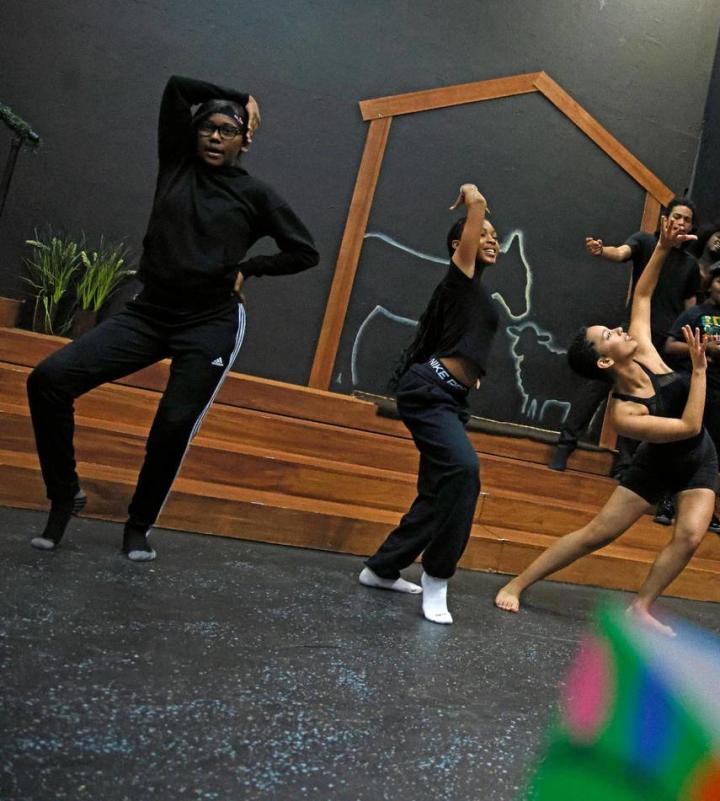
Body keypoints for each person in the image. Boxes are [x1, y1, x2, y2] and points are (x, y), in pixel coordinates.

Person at [26, 75, 319, 561]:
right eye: (208, 127)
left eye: (228, 130)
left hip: (210, 323)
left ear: (243, 141)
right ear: (195, 132)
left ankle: (138, 525)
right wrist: (242, 93)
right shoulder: (176, 165)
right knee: (48, 380)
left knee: (171, 424)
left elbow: (303, 251)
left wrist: (250, 267)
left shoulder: (256, 195)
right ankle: (64, 496)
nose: (215, 136)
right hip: (149, 313)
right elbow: (176, 88)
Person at [496, 215, 714, 637]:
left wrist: (664, 248)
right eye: (608, 334)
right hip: (660, 463)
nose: (619, 329)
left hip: (700, 456)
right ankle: (517, 582)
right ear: (603, 361)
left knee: (689, 536)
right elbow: (687, 424)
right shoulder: (624, 413)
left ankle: (642, 607)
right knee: (596, 534)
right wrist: (700, 371)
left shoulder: (645, 348)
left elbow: (644, 293)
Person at [360, 184, 500, 625]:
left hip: (451, 397)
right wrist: (473, 197)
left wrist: (469, 378)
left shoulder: (475, 293)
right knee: (464, 472)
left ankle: (381, 568)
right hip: (429, 390)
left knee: (438, 493)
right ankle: (438, 577)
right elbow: (475, 207)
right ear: (460, 246)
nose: (492, 240)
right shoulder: (457, 278)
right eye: (484, 233)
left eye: (496, 236)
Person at [550, 198, 699, 473]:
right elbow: (620, 253)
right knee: (596, 389)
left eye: (687, 219)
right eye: (676, 216)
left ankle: (625, 462)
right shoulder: (644, 241)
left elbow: (691, 307)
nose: (681, 222)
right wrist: (600, 250)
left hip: (660, 341)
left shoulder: (690, 264)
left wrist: (694, 340)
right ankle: (565, 446)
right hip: (632, 334)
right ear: (665, 219)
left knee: (642, 400)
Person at [662, 259, 720, 533]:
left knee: (713, 455)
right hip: (695, 391)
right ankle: (667, 500)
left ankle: (706, 512)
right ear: (709, 286)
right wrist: (706, 347)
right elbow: (669, 346)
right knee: (682, 446)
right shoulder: (695, 314)